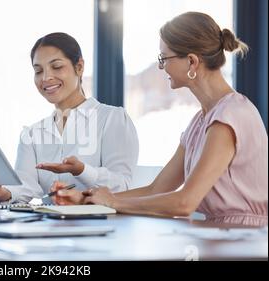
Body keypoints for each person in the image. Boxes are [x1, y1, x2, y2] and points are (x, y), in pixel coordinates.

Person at [52, 12, 268, 227]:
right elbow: (156, 189)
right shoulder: (200, 121)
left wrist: (113, 201)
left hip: (245, 240)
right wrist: (87, 199)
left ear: (192, 62)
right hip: (221, 237)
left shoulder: (230, 115)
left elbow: (185, 202)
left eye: (164, 58)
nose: (160, 66)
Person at [0, 32, 139, 203]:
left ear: (79, 67)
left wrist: (81, 170)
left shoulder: (112, 119)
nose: (46, 78)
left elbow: (121, 185)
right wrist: (0, 192)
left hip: (104, 224)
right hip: (49, 226)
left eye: (57, 67)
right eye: (38, 71)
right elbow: (26, 186)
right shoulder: (32, 134)